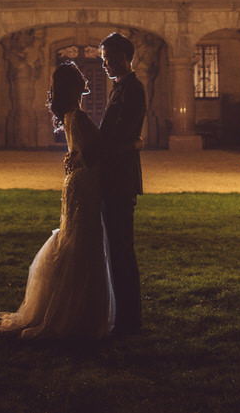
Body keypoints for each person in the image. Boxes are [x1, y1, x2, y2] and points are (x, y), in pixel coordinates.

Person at [0, 62, 113, 339]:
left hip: (76, 181)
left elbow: (84, 150)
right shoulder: (78, 116)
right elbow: (99, 148)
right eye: (80, 76)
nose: (85, 77)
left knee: (77, 241)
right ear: (74, 85)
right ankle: (79, 315)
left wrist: (79, 156)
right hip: (85, 182)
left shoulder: (69, 115)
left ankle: (71, 310)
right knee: (85, 245)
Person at [96, 30, 146, 334]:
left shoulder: (133, 89)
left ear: (123, 58)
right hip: (112, 176)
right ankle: (123, 315)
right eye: (103, 60)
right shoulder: (120, 88)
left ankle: (130, 319)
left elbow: (122, 134)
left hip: (121, 178)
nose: (105, 65)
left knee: (122, 248)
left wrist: (92, 151)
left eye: (108, 59)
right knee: (115, 248)